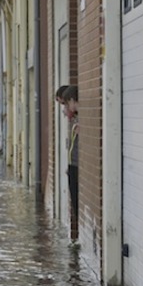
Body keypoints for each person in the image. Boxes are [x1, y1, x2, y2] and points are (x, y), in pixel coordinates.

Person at [63, 85, 80, 239]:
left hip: (77, 166)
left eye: (66, 104)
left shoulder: (79, 119)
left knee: (77, 202)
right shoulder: (75, 120)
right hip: (72, 165)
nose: (65, 109)